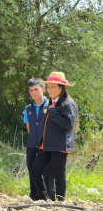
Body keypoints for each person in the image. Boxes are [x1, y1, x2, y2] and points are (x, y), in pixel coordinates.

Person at [30, 72, 77, 201]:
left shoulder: (68, 103)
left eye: (52, 87)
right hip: (45, 145)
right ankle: (45, 200)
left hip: (59, 145)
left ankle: (61, 202)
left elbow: (68, 124)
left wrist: (52, 111)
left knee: (58, 176)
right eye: (48, 87)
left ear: (61, 88)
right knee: (35, 171)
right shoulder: (53, 102)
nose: (49, 90)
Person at [24, 78, 54, 200]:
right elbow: (29, 128)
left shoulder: (51, 105)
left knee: (47, 172)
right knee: (32, 171)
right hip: (32, 145)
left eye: (36, 89)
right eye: (31, 90)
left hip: (46, 145)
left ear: (43, 89)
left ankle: (49, 198)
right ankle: (34, 197)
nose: (34, 92)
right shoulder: (28, 109)